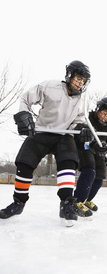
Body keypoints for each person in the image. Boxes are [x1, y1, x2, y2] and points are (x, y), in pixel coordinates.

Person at [0, 60, 93, 222]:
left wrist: (81, 128)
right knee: (24, 162)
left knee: (68, 161)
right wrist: (23, 115)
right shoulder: (50, 86)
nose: (80, 83)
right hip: (42, 130)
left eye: (83, 81)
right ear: (69, 76)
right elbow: (25, 98)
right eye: (78, 79)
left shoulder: (84, 98)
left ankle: (66, 204)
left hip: (65, 135)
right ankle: (18, 202)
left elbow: (79, 118)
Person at [74, 97, 107, 217]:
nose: (105, 117)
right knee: (90, 171)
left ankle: (87, 199)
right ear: (98, 109)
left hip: (99, 150)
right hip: (85, 147)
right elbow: (77, 135)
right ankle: (77, 201)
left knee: (99, 177)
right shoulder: (87, 117)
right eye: (103, 113)